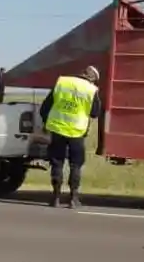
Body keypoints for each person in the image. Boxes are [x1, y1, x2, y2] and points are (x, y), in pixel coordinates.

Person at [39, 65, 102, 209]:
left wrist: (46, 123)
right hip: (77, 132)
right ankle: (73, 198)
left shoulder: (62, 82)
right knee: (76, 164)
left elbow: (45, 107)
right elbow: (95, 113)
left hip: (57, 129)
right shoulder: (91, 90)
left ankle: (55, 197)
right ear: (93, 78)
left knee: (57, 162)